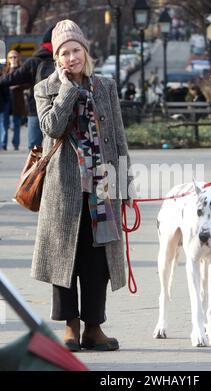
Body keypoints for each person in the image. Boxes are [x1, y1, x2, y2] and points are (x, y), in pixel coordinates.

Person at [32, 19, 134, 352]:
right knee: (65, 260)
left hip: (102, 189)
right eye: (64, 53)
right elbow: (50, 127)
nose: (71, 58)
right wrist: (67, 90)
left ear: (85, 51)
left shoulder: (105, 86)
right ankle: (70, 328)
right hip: (64, 192)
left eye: (76, 50)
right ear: (57, 58)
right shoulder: (45, 88)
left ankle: (94, 328)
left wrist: (125, 187)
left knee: (97, 263)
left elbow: (118, 138)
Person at [0, 25, 55, 150]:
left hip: (36, 110)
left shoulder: (34, 61)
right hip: (57, 113)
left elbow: (12, 78)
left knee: (35, 151)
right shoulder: (62, 61)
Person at [0, 50, 27, 150]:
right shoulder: (4, 70)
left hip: (17, 101)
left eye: (15, 57)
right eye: (11, 57)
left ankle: (16, 144)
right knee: (4, 123)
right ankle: (3, 145)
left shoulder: (22, 69)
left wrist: (18, 86)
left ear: (18, 58)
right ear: (8, 59)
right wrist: (11, 68)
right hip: (5, 100)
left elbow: (27, 83)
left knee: (16, 124)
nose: (13, 59)